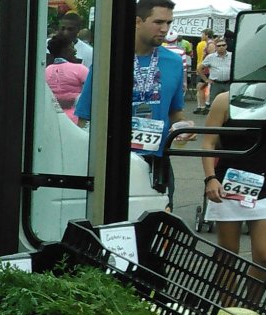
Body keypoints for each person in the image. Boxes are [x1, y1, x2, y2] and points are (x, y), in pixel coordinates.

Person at [75, 0, 187, 196]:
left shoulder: (174, 62)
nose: (165, 29)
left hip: (156, 159)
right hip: (113, 160)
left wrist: (184, 128)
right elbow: (85, 115)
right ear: (137, 21)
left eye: (169, 23)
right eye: (158, 22)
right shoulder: (110, 57)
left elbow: (175, 111)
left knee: (155, 220)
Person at [200, 86, 266, 272]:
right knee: (228, 254)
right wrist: (210, 178)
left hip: (265, 184)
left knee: (264, 256)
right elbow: (209, 142)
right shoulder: (224, 100)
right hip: (228, 183)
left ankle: (251, 302)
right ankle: (227, 302)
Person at [47, 35, 89, 124]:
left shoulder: (46, 71)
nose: (75, 50)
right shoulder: (80, 69)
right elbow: (91, 93)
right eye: (72, 47)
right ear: (65, 50)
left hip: (51, 119)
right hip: (76, 121)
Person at [201, 38, 232, 115]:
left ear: (226, 46)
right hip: (215, 84)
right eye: (219, 46)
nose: (221, 47)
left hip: (228, 83)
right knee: (214, 104)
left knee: (229, 103)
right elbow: (199, 68)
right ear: (216, 47)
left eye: (223, 45)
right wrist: (206, 80)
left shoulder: (232, 55)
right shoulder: (210, 57)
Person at [194, 28, 215, 113]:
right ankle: (201, 106)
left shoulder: (211, 45)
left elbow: (212, 58)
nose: (201, 36)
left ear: (206, 35)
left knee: (202, 87)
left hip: (207, 70)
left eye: (202, 34)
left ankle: (205, 106)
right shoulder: (207, 44)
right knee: (200, 87)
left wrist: (205, 67)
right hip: (203, 69)